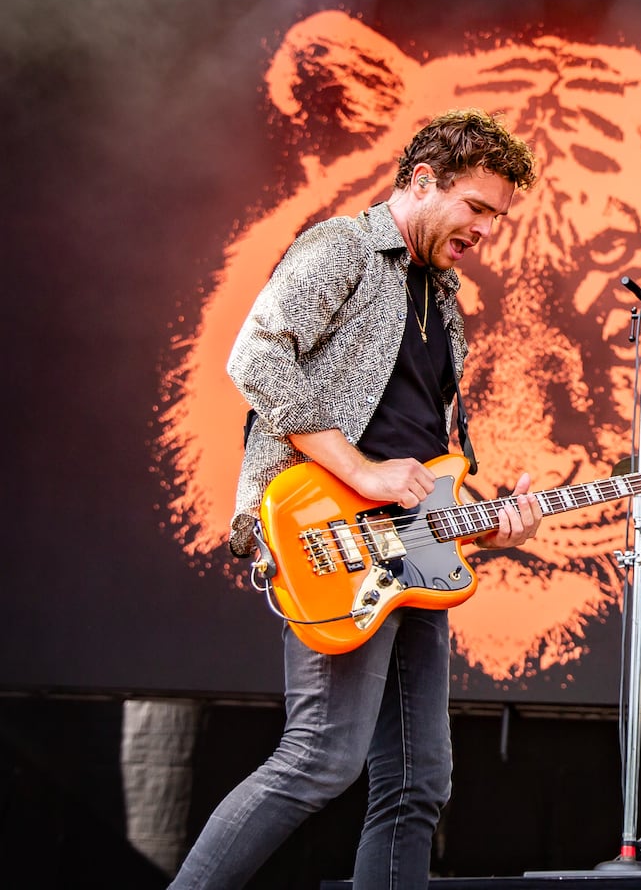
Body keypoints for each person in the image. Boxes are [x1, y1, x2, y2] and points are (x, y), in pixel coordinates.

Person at [170, 109, 544, 889]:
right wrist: (364, 475)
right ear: (421, 182)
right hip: (330, 530)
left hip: (414, 551)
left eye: (497, 217)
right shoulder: (341, 247)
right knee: (318, 759)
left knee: (417, 784)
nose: (486, 230)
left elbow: (423, 451)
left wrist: (488, 527)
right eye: (475, 208)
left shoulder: (444, 301)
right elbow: (258, 358)